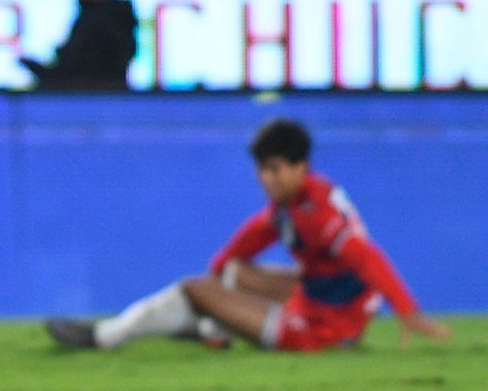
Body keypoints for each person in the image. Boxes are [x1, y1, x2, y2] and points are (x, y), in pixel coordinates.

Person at [47, 118, 452, 352]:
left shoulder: (316, 214)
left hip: (320, 331)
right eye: (262, 169)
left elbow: (365, 257)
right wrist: (223, 274)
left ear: (300, 167)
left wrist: (408, 311)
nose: (267, 178)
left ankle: (105, 336)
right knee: (232, 275)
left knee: (194, 289)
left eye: (275, 169)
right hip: (334, 307)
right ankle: (211, 327)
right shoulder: (302, 201)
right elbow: (252, 236)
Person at [19, 0, 137, 90]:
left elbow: (76, 76)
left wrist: (37, 69)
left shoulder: (101, 23)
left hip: (89, 105)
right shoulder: (102, 17)